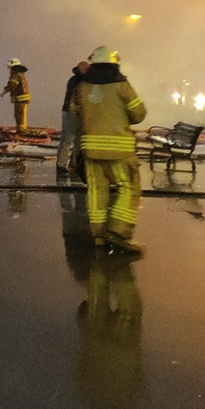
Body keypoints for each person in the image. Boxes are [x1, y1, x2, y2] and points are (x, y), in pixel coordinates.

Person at [71, 46, 147, 254]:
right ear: (113, 65)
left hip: (91, 150)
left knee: (96, 190)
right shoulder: (121, 85)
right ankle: (118, 231)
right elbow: (139, 114)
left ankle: (99, 235)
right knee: (129, 187)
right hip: (118, 150)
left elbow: (75, 110)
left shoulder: (82, 87)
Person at [57, 61, 90, 177]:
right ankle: (61, 165)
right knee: (68, 138)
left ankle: (74, 163)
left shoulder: (83, 81)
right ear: (80, 69)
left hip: (79, 114)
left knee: (78, 139)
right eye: (85, 69)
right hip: (70, 113)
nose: (87, 71)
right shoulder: (75, 81)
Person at [0, 59, 31, 134]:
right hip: (21, 99)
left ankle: (21, 131)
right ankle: (21, 129)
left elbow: (12, 85)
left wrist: (4, 91)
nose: (10, 70)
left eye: (10, 68)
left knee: (20, 115)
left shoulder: (16, 75)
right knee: (20, 114)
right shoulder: (20, 74)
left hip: (21, 99)